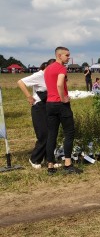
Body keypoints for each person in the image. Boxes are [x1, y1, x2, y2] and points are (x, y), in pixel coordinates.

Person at [44, 46, 83, 175]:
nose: (68, 57)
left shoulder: (47, 68)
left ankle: (50, 165)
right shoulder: (61, 68)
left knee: (51, 134)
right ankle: (67, 163)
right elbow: (60, 84)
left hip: (49, 104)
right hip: (60, 104)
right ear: (59, 55)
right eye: (67, 55)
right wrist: (63, 99)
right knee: (69, 133)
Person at [17, 59, 57, 169]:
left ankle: (50, 159)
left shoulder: (52, 76)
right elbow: (20, 82)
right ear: (48, 67)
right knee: (43, 134)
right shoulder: (40, 75)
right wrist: (29, 97)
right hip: (39, 107)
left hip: (48, 106)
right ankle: (34, 159)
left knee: (52, 133)